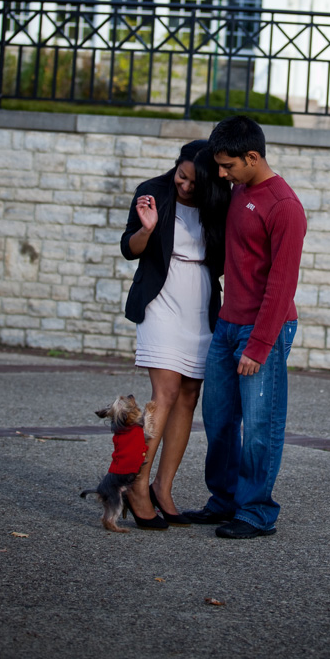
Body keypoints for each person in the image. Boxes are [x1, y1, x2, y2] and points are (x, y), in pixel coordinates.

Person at [184, 115, 307, 539]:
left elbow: (281, 283)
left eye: (229, 166)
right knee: (218, 420)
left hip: (263, 332)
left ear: (253, 157)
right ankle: (224, 501)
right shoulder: (239, 190)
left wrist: (258, 346)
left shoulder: (284, 206)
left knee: (259, 427)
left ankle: (255, 512)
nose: (222, 174)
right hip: (227, 326)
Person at [119, 139, 229, 529]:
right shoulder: (153, 192)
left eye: (194, 183)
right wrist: (147, 230)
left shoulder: (219, 200)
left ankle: (163, 489)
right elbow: (129, 249)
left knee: (188, 395)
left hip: (199, 301)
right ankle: (137, 485)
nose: (185, 187)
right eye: (182, 176)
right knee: (164, 393)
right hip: (160, 299)